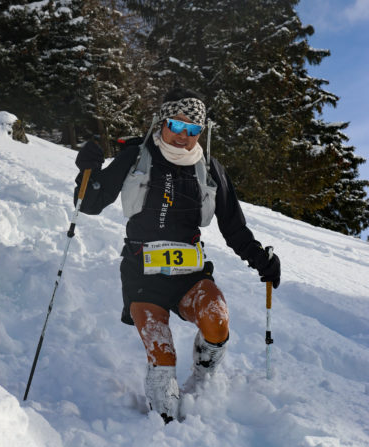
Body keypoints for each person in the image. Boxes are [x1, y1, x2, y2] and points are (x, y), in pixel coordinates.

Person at [74, 88, 281, 423]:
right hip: (143, 274)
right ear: (162, 121)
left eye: (193, 129)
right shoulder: (136, 156)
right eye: (177, 125)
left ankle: (203, 383)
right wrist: (89, 170)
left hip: (190, 273)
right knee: (162, 355)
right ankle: (164, 423)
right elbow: (89, 204)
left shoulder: (209, 168)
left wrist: (261, 259)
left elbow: (234, 227)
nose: (184, 136)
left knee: (217, 322)